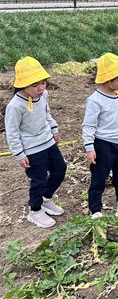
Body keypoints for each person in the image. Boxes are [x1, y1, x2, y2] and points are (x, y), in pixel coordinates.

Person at [4, 57, 66, 228]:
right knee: (38, 179)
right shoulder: (15, 106)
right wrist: (19, 154)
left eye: (43, 83)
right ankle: (35, 210)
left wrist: (54, 129)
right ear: (22, 84)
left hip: (47, 141)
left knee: (60, 169)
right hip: (31, 148)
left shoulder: (43, 95)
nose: (40, 88)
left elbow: (47, 114)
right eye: (34, 85)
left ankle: (46, 199)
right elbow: (12, 132)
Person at [82, 53, 118, 218]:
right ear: (108, 79)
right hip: (103, 144)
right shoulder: (95, 101)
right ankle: (96, 210)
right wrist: (89, 148)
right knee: (99, 178)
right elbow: (88, 126)